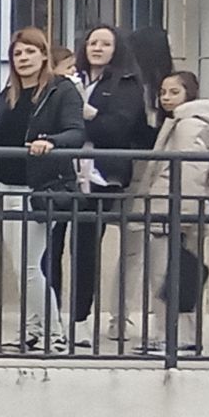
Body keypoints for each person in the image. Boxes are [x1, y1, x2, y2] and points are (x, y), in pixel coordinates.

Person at [121, 71, 209, 354]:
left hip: (174, 213)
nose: (166, 98)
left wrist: (167, 212)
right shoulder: (200, 122)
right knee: (186, 276)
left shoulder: (187, 125)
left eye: (174, 92)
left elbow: (182, 173)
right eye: (163, 92)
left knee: (166, 276)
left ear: (189, 95)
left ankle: (172, 338)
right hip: (191, 212)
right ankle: (182, 336)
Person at [0, 27, 85, 352]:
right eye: (17, 53)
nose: (23, 59)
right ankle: (33, 329)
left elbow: (76, 132)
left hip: (40, 187)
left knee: (31, 265)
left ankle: (54, 334)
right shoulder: (7, 96)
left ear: (44, 54)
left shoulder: (61, 91)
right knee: (20, 265)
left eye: (30, 52)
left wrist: (51, 142)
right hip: (7, 185)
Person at [65, 26, 147, 332]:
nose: (97, 48)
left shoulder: (125, 84)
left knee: (86, 246)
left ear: (117, 49)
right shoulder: (73, 79)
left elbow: (116, 130)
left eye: (105, 43)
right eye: (92, 42)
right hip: (65, 173)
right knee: (61, 247)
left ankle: (81, 318)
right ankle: (55, 318)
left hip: (102, 176)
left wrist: (86, 115)